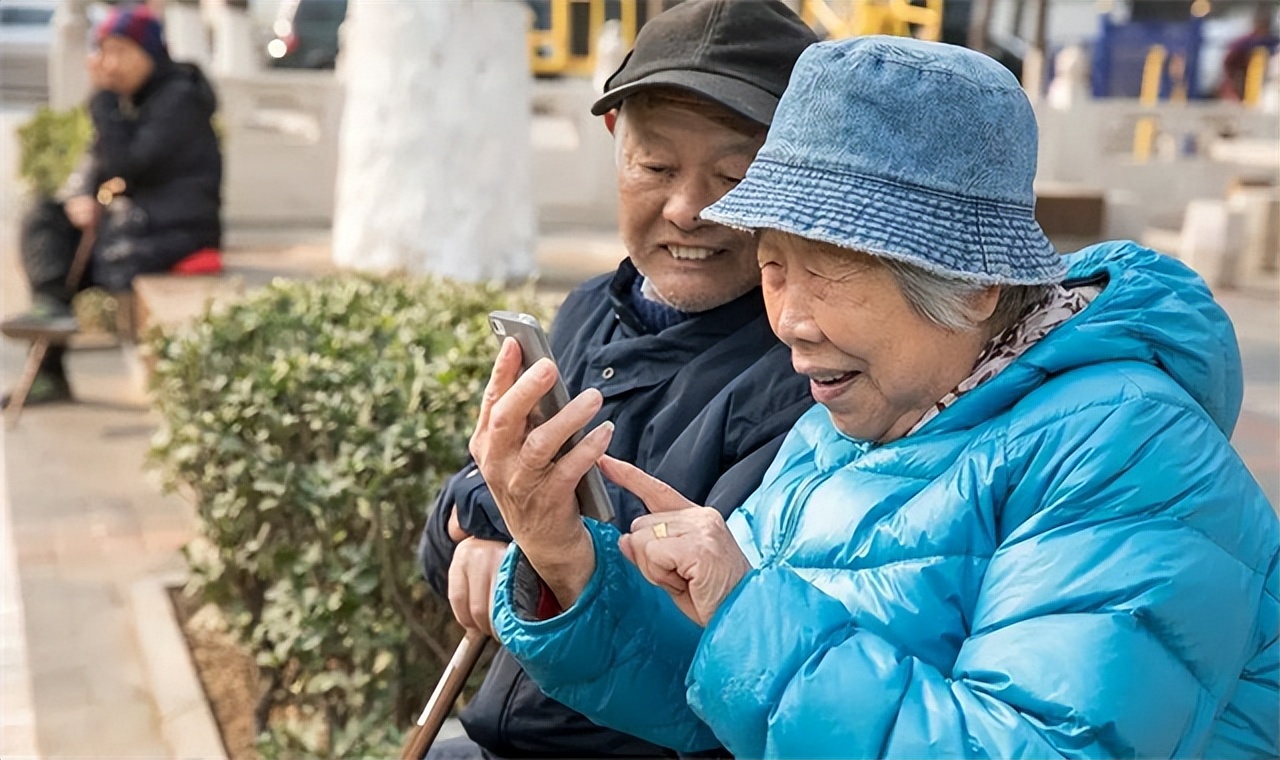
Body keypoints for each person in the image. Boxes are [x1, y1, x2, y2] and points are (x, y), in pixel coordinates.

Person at [477, 36, 1280, 759]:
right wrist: (568, 561)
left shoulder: (1127, 449)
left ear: (973, 287)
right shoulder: (851, 418)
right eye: (773, 264)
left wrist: (744, 608)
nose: (788, 322)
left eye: (828, 270)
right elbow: (719, 698)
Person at [416, 2, 817, 758]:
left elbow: (672, 600)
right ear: (614, 142)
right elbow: (455, 524)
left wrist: (524, 535)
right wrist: (480, 524)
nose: (689, 208)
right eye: (656, 166)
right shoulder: (586, 310)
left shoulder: (799, 375)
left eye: (735, 175)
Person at [1, 5, 222, 407]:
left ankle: (51, 341)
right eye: (103, 51)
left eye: (120, 51)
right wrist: (82, 197)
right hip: (139, 222)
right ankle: (50, 337)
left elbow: (129, 163)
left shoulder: (179, 99)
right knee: (47, 219)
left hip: (175, 229)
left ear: (149, 52)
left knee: (70, 257)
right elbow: (99, 161)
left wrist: (102, 101)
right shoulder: (134, 99)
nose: (109, 63)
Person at [1219, 3, 1279, 101]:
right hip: (1241, 90)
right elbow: (1228, 64)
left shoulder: (1273, 42)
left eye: (1266, 23)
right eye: (1262, 23)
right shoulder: (1244, 43)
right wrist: (1236, 81)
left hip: (1263, 90)